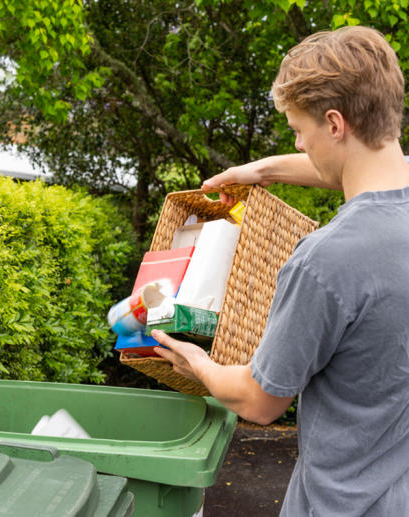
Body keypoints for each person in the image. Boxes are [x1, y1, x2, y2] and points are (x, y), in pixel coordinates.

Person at [151, 25, 409, 516]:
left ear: (335, 124)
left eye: (298, 129)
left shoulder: (326, 260)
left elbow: (258, 402)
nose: (299, 142)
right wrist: (260, 171)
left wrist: (197, 365)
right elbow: (360, 167)